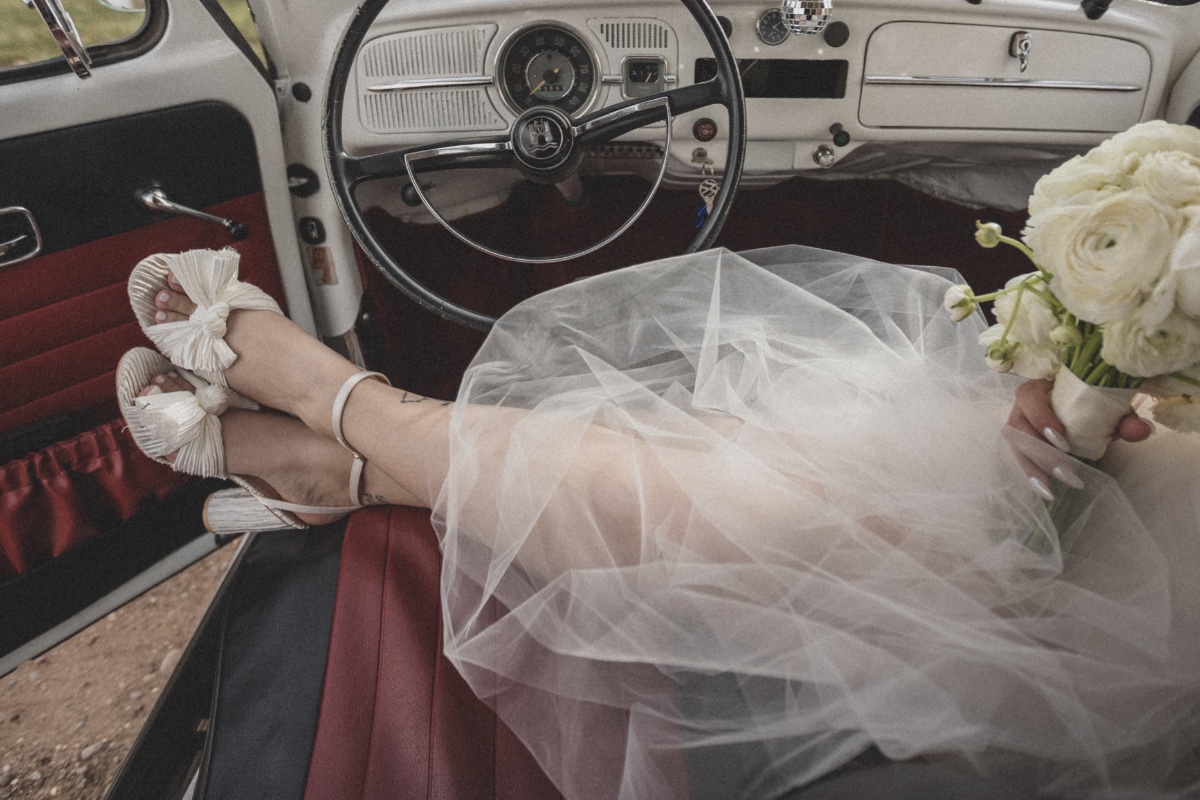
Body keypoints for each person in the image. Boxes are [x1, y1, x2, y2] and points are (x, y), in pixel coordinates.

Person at [119, 246, 1200, 799]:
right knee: (812, 440)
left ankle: (342, 406)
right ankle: (357, 462)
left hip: (1160, 650)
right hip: (1146, 476)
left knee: (790, 504)